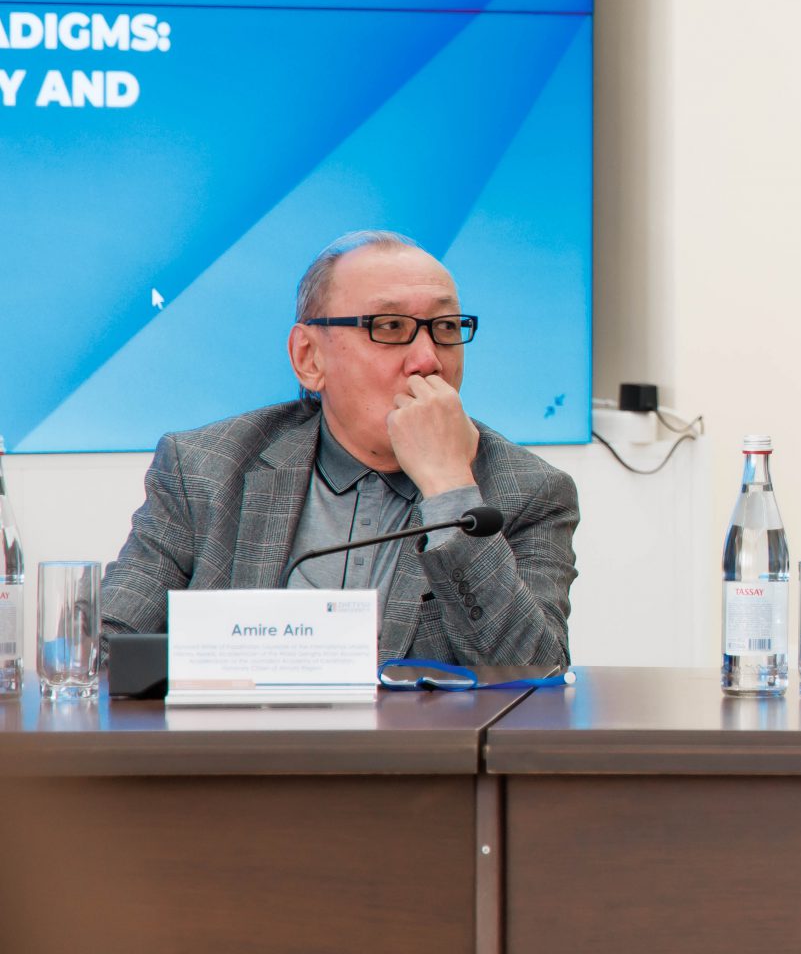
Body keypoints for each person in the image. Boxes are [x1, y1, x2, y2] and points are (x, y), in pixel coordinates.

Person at [100, 230, 578, 667]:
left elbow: (536, 677)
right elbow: (103, 653)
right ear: (309, 358)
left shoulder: (527, 491)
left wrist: (450, 488)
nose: (428, 360)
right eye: (390, 326)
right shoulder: (205, 470)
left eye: (447, 327)